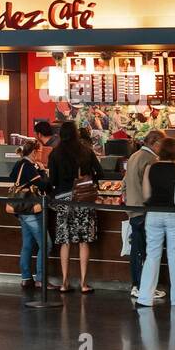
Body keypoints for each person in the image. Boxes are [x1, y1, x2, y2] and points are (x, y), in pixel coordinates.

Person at [136, 137, 175, 308]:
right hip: (174, 215)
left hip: (153, 214)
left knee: (152, 255)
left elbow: (146, 195)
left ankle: (145, 297)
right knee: (174, 256)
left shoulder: (149, 168)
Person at [48, 120, 102, 293]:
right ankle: (83, 284)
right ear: (77, 134)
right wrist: (88, 177)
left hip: (63, 199)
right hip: (83, 198)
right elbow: (100, 173)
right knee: (83, 241)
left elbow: (52, 181)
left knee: (65, 241)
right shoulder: (86, 151)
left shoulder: (55, 154)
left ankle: (64, 282)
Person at [123, 130, 167, 300]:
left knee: (136, 249)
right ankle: (144, 287)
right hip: (145, 210)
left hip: (133, 209)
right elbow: (153, 187)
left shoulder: (134, 156)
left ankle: (137, 285)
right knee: (147, 251)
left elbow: (124, 183)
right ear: (155, 143)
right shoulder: (151, 160)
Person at [9, 140, 49, 290]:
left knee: (27, 244)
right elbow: (44, 185)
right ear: (33, 152)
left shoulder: (19, 165)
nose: (40, 154)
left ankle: (26, 278)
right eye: (39, 152)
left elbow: (11, 178)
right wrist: (43, 171)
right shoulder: (29, 167)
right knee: (46, 244)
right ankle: (40, 279)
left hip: (20, 210)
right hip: (30, 209)